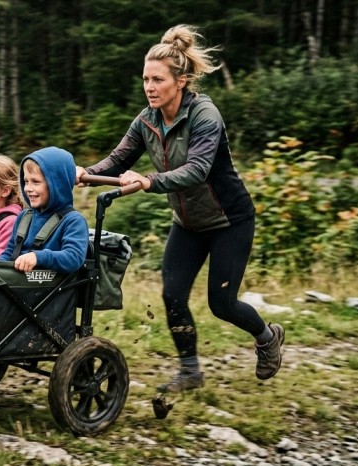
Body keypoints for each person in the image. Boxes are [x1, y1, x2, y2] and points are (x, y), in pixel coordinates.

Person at [75, 24, 284, 392]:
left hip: (228, 221)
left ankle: (267, 337)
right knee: (172, 295)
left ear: (181, 81)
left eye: (157, 80)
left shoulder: (205, 115)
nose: (149, 87)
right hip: (188, 222)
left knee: (221, 303)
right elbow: (117, 159)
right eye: (145, 79)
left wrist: (149, 181)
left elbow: (197, 170)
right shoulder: (147, 120)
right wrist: (84, 173)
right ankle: (190, 371)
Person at [0, 147, 88, 273]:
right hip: (17, 285)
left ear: (56, 184)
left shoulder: (73, 221)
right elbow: (9, 253)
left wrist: (38, 257)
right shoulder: (24, 217)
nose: (28, 188)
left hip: (48, 289)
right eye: (26, 181)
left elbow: (74, 258)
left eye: (35, 182)